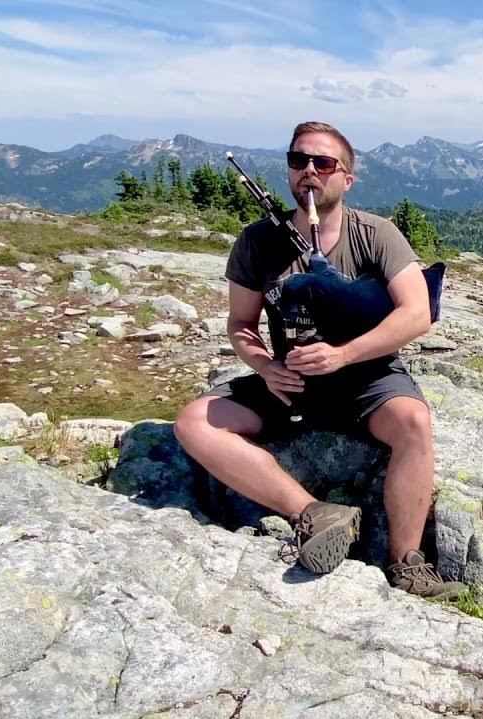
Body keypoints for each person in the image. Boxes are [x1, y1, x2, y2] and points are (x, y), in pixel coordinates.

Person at [174, 121, 462, 599]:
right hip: (291, 381)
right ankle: (314, 513)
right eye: (298, 160)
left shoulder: (376, 234)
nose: (309, 171)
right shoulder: (257, 242)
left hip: (367, 375)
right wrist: (266, 367)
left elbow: (416, 314)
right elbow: (241, 325)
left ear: (346, 178)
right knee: (193, 424)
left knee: (413, 423)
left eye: (323, 163)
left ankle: (406, 565)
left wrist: (344, 354)